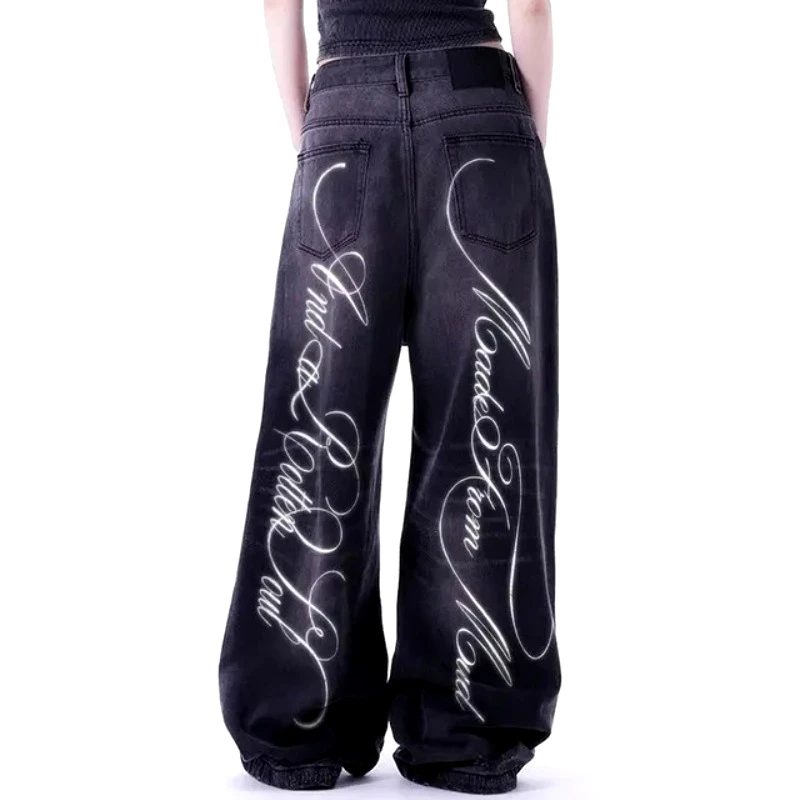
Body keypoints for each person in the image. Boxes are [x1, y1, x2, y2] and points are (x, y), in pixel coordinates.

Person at [218, 0, 559, 793]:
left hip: (345, 109)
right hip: (481, 112)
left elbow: (277, 7)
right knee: (481, 437)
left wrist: (314, 133)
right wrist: (524, 148)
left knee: (318, 427)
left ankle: (299, 722)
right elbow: (534, 7)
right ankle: (469, 728)